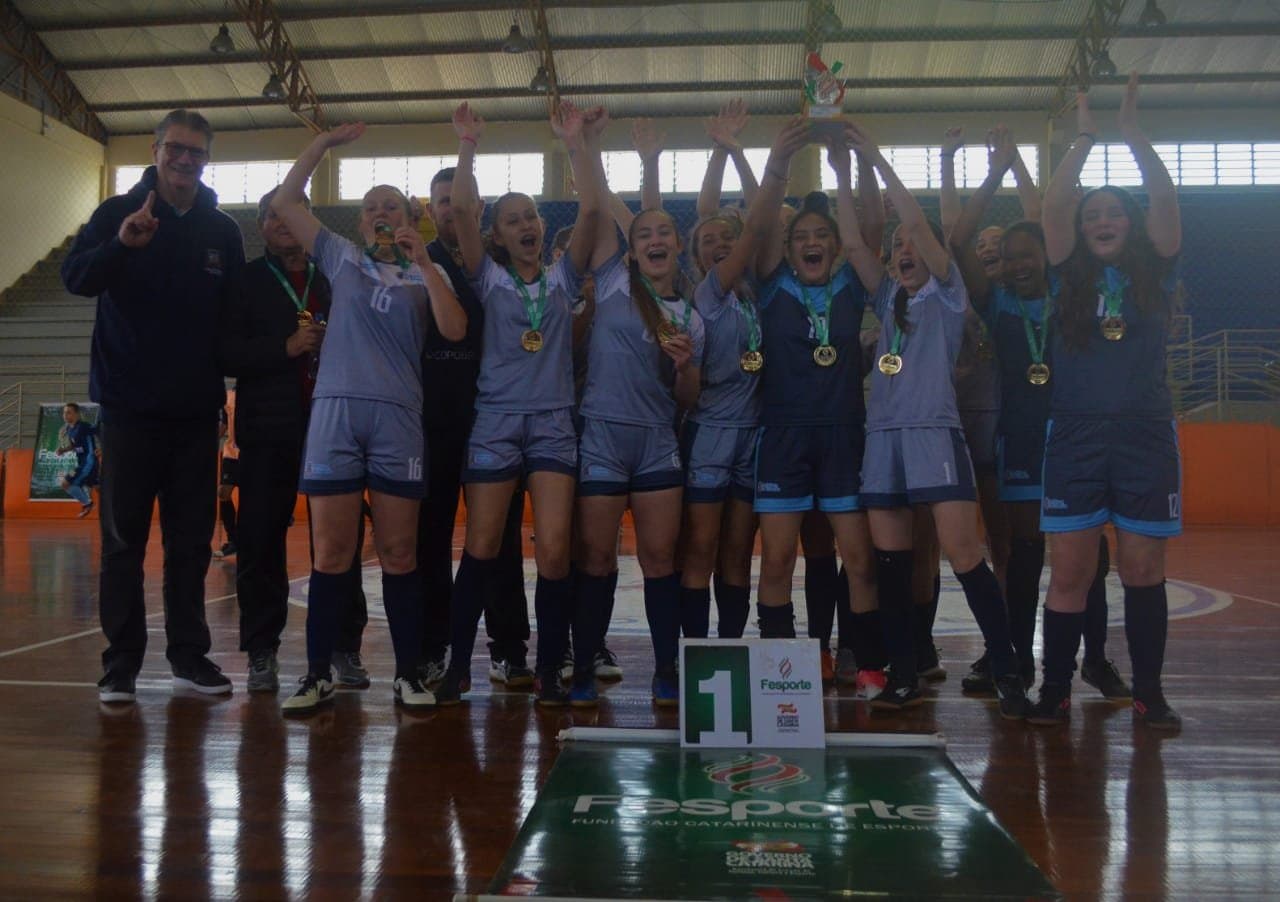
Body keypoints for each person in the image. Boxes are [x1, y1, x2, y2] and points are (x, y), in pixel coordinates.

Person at [270, 122, 467, 714]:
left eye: (393, 206)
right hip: (336, 412)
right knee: (331, 554)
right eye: (372, 207)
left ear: (411, 217)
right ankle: (315, 673)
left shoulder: (427, 269)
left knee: (400, 553)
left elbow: (455, 329)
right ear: (360, 221)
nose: (382, 212)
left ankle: (407, 674)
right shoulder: (340, 255)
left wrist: (426, 263)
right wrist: (322, 146)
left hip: (399, 417)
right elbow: (284, 202)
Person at [837, 122, 1027, 716]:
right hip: (882, 439)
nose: (904, 251)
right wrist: (842, 171)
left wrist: (876, 157)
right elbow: (850, 243)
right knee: (892, 566)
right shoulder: (885, 298)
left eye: (912, 247)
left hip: (934, 435)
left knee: (965, 554)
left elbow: (919, 225)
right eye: (896, 249)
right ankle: (902, 671)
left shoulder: (949, 295)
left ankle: (1007, 666)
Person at [62, 108, 245, 704]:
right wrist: (120, 245)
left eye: (196, 151)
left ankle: (189, 658)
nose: (185, 160)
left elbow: (234, 322)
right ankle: (120, 666)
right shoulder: (116, 214)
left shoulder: (222, 231)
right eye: (176, 148)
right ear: (156, 148)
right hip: (129, 410)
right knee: (123, 545)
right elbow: (78, 278)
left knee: (191, 543)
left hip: (195, 414)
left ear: (206, 158)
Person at [432, 100, 606, 706]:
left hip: (555, 425)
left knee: (556, 549)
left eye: (530, 215)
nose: (526, 224)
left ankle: (552, 667)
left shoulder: (562, 275)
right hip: (497, 424)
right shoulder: (487, 277)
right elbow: (458, 208)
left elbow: (590, 208)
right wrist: (468, 145)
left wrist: (577, 142)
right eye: (512, 220)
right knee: (481, 547)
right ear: (497, 235)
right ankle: (458, 665)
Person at [948, 140, 1130, 703]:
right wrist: (989, 172)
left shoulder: (1070, 291)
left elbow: (1052, 221)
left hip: (1078, 437)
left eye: (1031, 252)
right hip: (1022, 441)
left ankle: (1095, 660)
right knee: (1023, 552)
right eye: (1010, 255)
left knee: (1089, 556)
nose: (1021, 262)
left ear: (1049, 256)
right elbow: (957, 242)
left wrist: (1027, 170)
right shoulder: (995, 300)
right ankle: (1018, 661)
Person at [1032, 75, 1182, 729]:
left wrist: (1133, 136)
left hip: (1146, 432)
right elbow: (1053, 207)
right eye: (1093, 214)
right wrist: (1085, 138)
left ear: (1133, 225)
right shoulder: (1069, 269)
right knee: (1070, 568)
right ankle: (1054, 689)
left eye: (1113, 213)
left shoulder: (1157, 266)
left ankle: (1148, 690)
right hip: (1077, 435)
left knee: (1143, 566)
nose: (1100, 221)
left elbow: (1167, 199)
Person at [573, 124, 706, 708]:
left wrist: (683, 366)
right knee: (597, 559)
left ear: (679, 248)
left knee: (659, 561)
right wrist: (585, 144)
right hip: (601, 436)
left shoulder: (688, 314)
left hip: (656, 443)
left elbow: (689, 398)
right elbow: (595, 199)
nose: (655, 240)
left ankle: (665, 669)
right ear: (630, 247)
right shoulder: (611, 279)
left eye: (665, 234)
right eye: (644, 233)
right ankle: (583, 664)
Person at [219, 187, 371, 693]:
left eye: (294, 212)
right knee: (261, 540)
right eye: (273, 215)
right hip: (269, 430)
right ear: (261, 225)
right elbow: (224, 353)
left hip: (334, 424)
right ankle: (261, 651)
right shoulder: (245, 281)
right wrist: (284, 347)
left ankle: (343, 646)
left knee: (339, 541)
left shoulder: (337, 276)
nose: (283, 221)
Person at [750, 132, 884, 699]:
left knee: (857, 556)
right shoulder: (769, 282)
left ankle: (867, 659)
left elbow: (867, 233)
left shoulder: (854, 282)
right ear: (788, 245)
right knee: (778, 557)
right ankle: (783, 668)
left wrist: (850, 168)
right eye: (801, 236)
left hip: (844, 437)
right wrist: (775, 160)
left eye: (821, 236)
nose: (811, 243)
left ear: (834, 245)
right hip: (782, 437)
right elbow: (758, 229)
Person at [678, 118, 808, 644]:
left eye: (725, 239)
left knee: (736, 552)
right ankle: (691, 653)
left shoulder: (764, 292)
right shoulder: (707, 294)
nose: (718, 244)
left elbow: (764, 222)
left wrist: (737, 154)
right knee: (701, 549)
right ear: (699, 254)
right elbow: (755, 225)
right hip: (709, 430)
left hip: (755, 436)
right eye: (707, 240)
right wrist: (734, 153)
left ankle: (727, 649)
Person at [416, 166, 531, 689]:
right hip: (434, 420)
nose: (448, 208)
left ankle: (509, 648)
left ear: (475, 208)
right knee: (432, 536)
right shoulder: (418, 261)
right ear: (428, 209)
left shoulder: (500, 264)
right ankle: (435, 647)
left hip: (494, 417)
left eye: (456, 201)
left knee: (501, 539)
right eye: (439, 201)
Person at [56, 402, 98, 518]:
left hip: (88, 463)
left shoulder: (84, 426)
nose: (65, 415)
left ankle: (87, 504)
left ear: (77, 414)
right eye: (64, 413)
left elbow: (100, 431)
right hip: (82, 463)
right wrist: (63, 450)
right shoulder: (69, 429)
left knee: (65, 483)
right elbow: (75, 445)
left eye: (68, 412)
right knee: (100, 488)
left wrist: (101, 448)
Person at [214, 393, 239, 559]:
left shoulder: (254, 391)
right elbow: (223, 426)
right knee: (223, 493)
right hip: (231, 454)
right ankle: (233, 541)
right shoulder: (227, 396)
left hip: (252, 452)